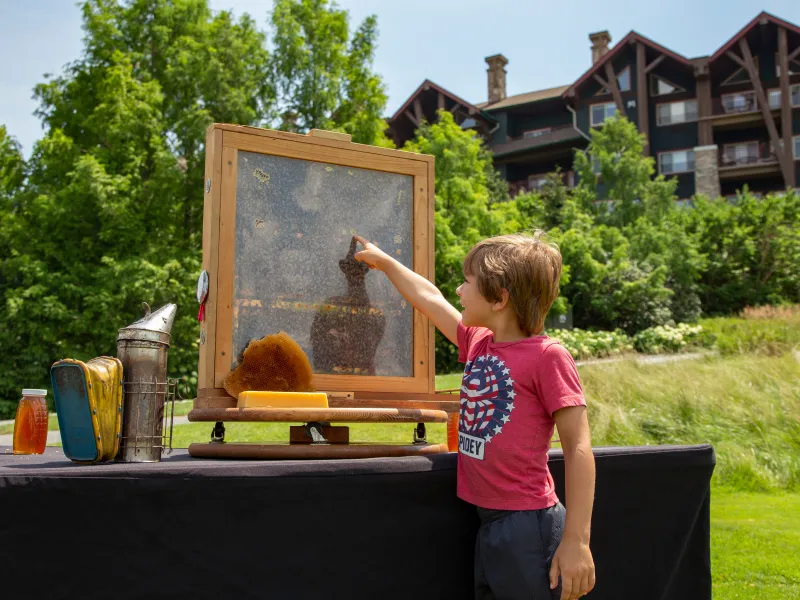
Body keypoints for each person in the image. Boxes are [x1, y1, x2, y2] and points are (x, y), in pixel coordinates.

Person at [353, 232, 596, 600]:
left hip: (526, 525)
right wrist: (385, 262)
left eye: (467, 283)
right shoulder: (479, 342)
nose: (458, 291)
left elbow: (579, 447)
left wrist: (577, 541)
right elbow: (429, 298)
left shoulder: (548, 357)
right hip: (490, 522)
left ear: (500, 298)